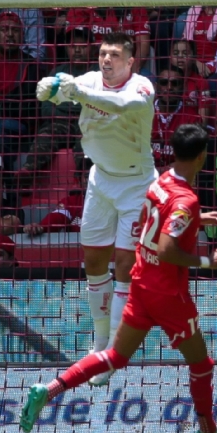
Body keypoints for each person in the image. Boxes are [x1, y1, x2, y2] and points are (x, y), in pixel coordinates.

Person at [20, 122, 217, 433]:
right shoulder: (186, 200)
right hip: (168, 293)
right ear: (202, 157)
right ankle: (207, 429)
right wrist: (207, 261)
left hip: (141, 282)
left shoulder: (160, 183)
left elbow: (153, 221)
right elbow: (168, 247)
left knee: (115, 356)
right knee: (202, 365)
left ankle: (49, 389)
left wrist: (198, 219)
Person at [33, 33, 156, 361]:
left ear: (130, 61)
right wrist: (50, 87)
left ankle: (114, 348)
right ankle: (100, 338)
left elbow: (118, 105)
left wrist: (77, 91)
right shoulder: (88, 80)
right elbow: (59, 86)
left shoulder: (141, 88)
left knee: (126, 265)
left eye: (115, 55)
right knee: (94, 262)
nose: (106, 60)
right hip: (100, 180)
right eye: (103, 53)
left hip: (136, 185)